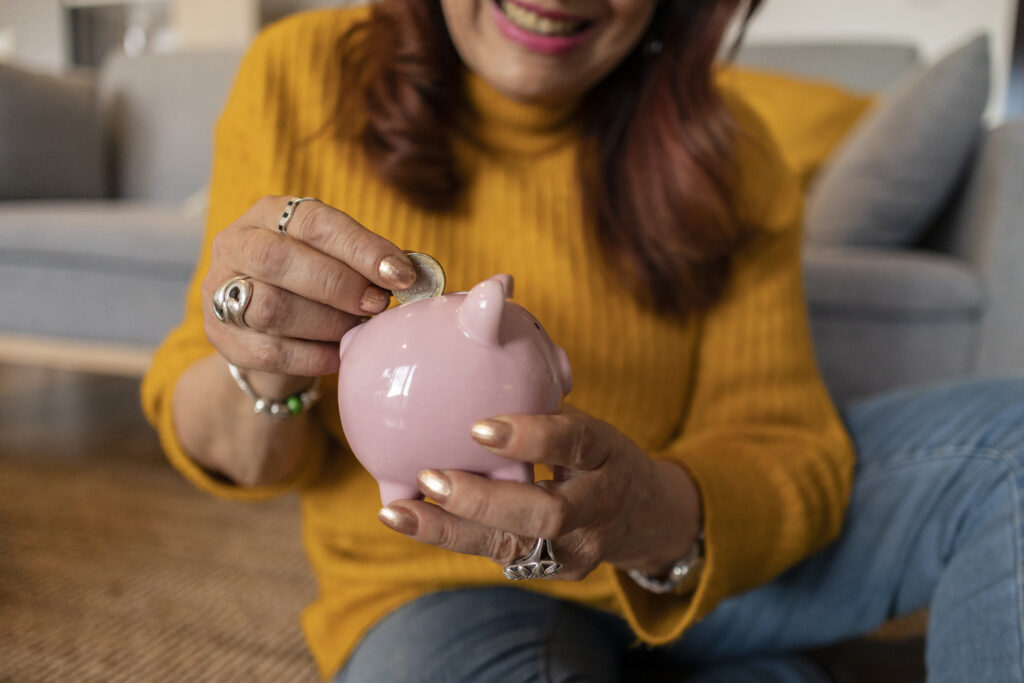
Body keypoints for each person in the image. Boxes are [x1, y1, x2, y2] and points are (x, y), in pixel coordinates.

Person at [141, 1, 1024, 681]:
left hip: (707, 560)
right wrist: (259, 368)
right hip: (441, 595)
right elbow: (233, 449)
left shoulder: (733, 151)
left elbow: (781, 438)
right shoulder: (301, 77)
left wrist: (644, 516)